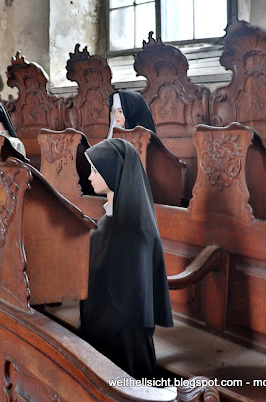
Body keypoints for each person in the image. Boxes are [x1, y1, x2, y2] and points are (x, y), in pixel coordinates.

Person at [79, 138, 173, 379]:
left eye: (95, 171)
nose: (90, 177)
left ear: (112, 173)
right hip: (100, 327)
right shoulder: (108, 219)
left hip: (124, 338)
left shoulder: (137, 229)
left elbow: (132, 298)